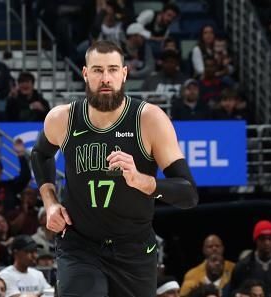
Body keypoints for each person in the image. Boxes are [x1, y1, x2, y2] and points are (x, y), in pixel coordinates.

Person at [30, 40, 198, 297]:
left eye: (112, 69)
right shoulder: (62, 118)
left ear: (124, 74)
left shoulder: (149, 120)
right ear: (85, 74)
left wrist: (142, 181)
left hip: (134, 249)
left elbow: (188, 194)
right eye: (97, 70)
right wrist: (50, 201)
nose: (105, 78)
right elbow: (40, 154)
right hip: (80, 245)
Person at [229, 220, 271, 297]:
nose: (266, 242)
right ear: (256, 240)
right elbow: (232, 292)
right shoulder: (243, 267)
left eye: (270, 239)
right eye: (262, 239)